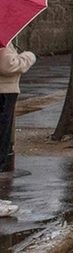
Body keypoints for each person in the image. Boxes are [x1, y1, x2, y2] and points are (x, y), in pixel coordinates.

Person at [0, 40, 36, 177]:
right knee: (3, 132)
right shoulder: (3, 44)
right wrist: (28, 56)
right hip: (4, 92)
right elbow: (8, 66)